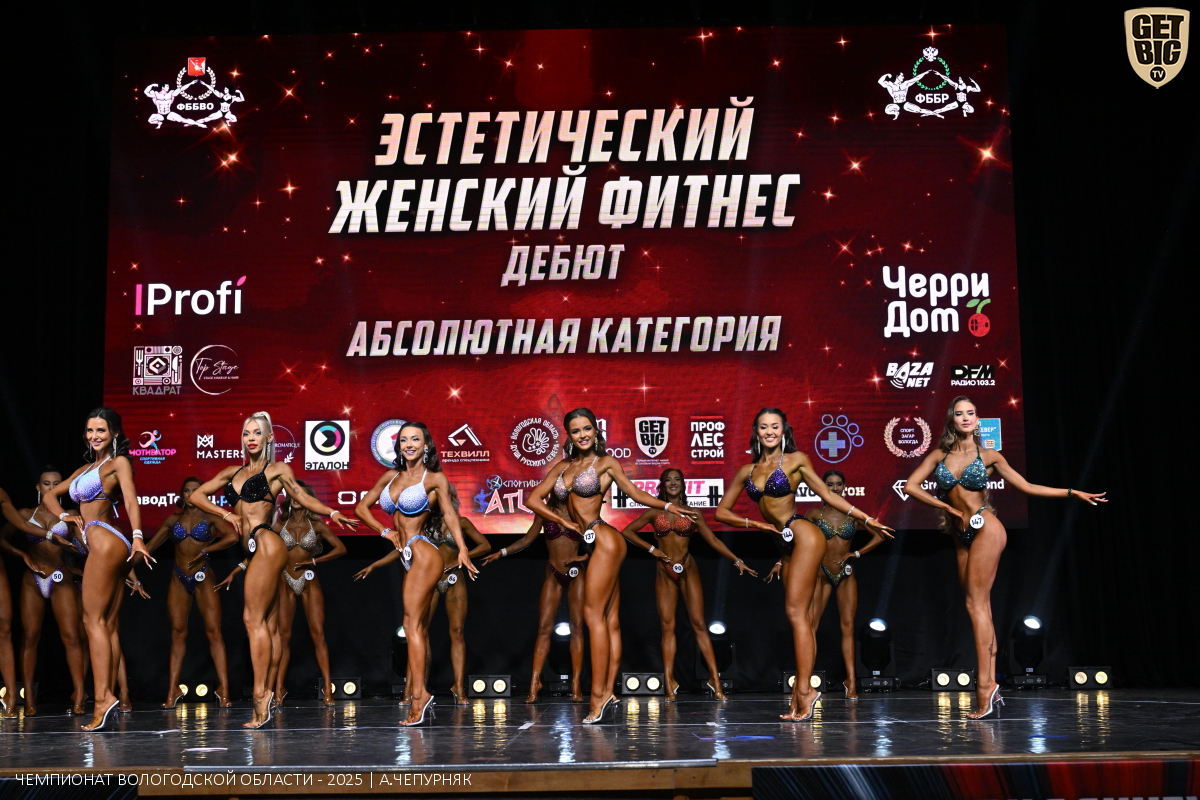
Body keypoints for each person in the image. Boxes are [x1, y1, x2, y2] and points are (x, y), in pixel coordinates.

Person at [903, 396, 1105, 719]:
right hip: (961, 535)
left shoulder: (989, 456)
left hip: (986, 528)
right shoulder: (939, 456)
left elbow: (1026, 486)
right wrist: (945, 507)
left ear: (977, 419)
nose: (965, 418)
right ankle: (989, 684)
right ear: (951, 419)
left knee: (976, 606)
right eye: (959, 413)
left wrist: (1071, 492)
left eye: (971, 413)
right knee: (978, 606)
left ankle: (985, 687)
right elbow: (911, 486)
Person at [715, 408, 892, 721]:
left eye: (775, 426)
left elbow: (827, 495)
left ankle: (805, 690)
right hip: (783, 544)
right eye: (764, 427)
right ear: (756, 432)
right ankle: (802, 692)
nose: (770, 432)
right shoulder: (747, 470)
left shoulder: (796, 460)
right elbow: (721, 513)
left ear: (784, 431)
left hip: (805, 536)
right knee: (802, 617)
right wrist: (758, 525)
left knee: (797, 614)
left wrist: (865, 518)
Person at [187, 411, 359, 729]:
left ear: (269, 438)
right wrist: (226, 515)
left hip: (267, 543)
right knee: (266, 624)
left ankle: (261, 696)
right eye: (246, 433)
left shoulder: (277, 470)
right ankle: (267, 693)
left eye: (257, 433)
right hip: (254, 550)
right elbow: (197, 495)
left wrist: (333, 512)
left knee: (252, 621)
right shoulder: (232, 472)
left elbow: (302, 496)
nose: (250, 438)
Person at [527, 408, 697, 724]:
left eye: (587, 429)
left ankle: (599, 697)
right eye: (576, 430)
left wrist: (668, 505)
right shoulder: (562, 467)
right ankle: (608, 692)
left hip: (605, 539)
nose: (582, 435)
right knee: (608, 620)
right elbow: (533, 500)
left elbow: (635, 494)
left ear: (595, 431)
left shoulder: (605, 463)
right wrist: (566, 522)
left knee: (592, 616)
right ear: (569, 435)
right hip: (592, 542)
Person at [353, 422, 477, 726]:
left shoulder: (433, 478)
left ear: (426, 446)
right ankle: (419, 693)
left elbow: (450, 514)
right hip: (407, 555)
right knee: (414, 627)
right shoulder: (390, 477)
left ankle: (419, 695)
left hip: (424, 554)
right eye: (404, 440)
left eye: (415, 440)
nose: (409, 444)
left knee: (412, 626)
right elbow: (361, 508)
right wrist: (384, 531)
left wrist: (462, 548)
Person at [41, 407, 152, 731]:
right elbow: (50, 495)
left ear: (114, 433)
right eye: (90, 430)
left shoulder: (118, 463)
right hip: (103, 541)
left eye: (101, 430)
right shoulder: (85, 468)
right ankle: (111, 696)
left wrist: (138, 537)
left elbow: (130, 500)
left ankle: (103, 698)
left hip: (105, 539)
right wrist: (65, 515)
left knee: (93, 620)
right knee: (106, 624)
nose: (94, 436)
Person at [621, 467, 756, 700]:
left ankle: (715, 680)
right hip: (664, 571)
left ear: (683, 484)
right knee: (667, 627)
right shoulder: (655, 511)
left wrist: (737, 560)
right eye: (668, 480)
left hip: (687, 568)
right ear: (663, 485)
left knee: (700, 625)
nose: (673, 483)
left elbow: (712, 539)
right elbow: (627, 531)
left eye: (677, 479)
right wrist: (652, 549)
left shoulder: (693, 513)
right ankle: (669, 681)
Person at [357, 483, 488, 705]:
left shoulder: (461, 523)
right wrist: (376, 564)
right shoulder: (423, 524)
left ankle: (458, 687)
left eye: (445, 496)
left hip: (454, 580)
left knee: (457, 632)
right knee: (420, 632)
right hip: (430, 579)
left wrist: (462, 558)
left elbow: (485, 545)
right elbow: (402, 548)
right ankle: (412, 689)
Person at [479, 492, 587, 703]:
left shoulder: (580, 512)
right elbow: (527, 539)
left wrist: (584, 555)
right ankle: (534, 682)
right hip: (553, 574)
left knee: (577, 628)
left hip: (577, 575)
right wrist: (502, 552)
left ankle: (576, 683)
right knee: (544, 628)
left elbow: (596, 542)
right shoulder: (545, 513)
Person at [142, 477, 238, 708]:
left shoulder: (212, 517)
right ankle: (172, 690)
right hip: (178, 577)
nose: (191, 494)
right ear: (182, 495)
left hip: (204, 576)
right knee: (177, 633)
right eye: (187, 490)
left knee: (214, 633)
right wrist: (125, 568)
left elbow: (233, 536)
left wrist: (207, 550)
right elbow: (147, 548)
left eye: (196, 490)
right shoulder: (173, 520)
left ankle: (224, 689)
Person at [0, 468, 88, 715]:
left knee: (72, 637)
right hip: (33, 579)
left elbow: (87, 548)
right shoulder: (25, 514)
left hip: (60, 578)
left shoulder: (70, 516)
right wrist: (23, 554)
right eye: (47, 483)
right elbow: (2, 539)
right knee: (30, 638)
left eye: (56, 483)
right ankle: (28, 700)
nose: (51, 487)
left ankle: (79, 697)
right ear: (39, 488)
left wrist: (78, 565)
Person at [804, 470, 887, 699]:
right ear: (822, 487)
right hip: (821, 573)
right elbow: (800, 540)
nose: (835, 488)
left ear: (844, 486)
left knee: (848, 628)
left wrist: (856, 553)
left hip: (846, 574)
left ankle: (851, 681)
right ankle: (805, 680)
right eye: (830, 484)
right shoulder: (814, 513)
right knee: (811, 626)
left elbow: (879, 536)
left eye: (839, 484)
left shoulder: (853, 513)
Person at [273, 481, 347, 706]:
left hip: (308, 580)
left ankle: (327, 687)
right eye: (293, 494)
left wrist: (314, 560)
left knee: (318, 634)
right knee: (284, 636)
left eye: (302, 494)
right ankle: (279, 688)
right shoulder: (279, 525)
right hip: (285, 580)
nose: (297, 498)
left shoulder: (317, 525)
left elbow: (341, 548)